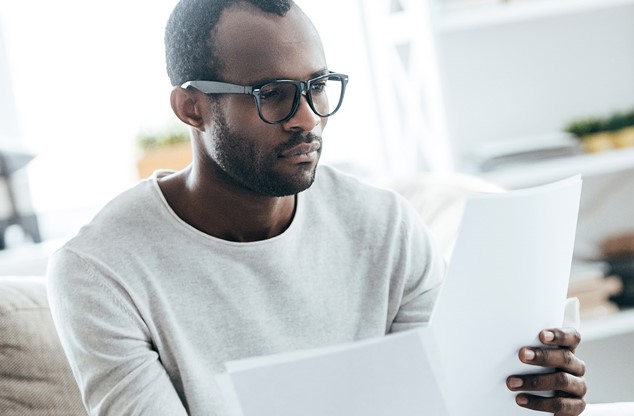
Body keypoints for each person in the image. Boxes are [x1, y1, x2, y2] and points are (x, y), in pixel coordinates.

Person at [47, 0, 587, 415]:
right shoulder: (98, 271)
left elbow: (440, 402)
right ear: (191, 107)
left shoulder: (386, 226)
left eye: (317, 86)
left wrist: (520, 393)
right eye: (272, 94)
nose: (308, 117)